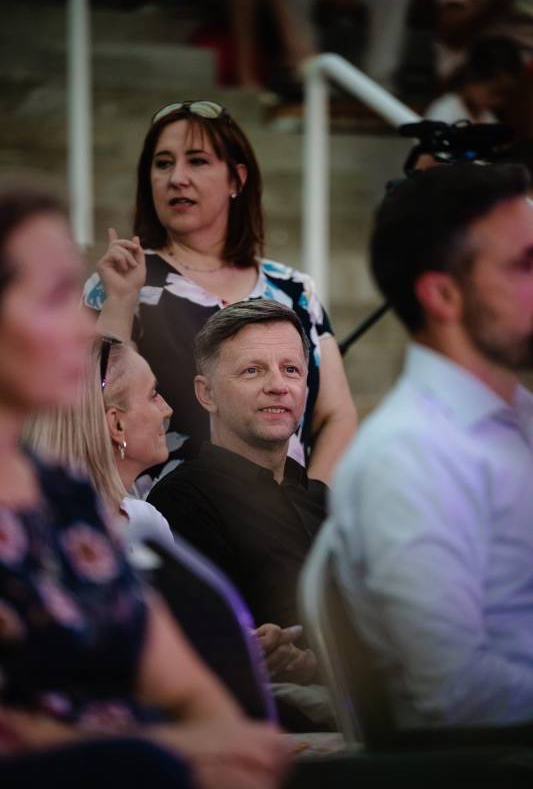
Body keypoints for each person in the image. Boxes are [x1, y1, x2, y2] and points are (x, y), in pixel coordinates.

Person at [0, 185, 287, 789]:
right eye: (55, 298)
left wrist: (225, 740)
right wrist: (168, 748)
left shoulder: (66, 496)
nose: (79, 329)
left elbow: (186, 683)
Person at [327, 162, 533, 731]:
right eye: (524, 264)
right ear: (443, 295)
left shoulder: (520, 419)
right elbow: (458, 694)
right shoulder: (408, 455)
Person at [83, 100, 356, 488]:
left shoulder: (295, 288)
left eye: (197, 161)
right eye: (162, 164)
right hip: (165, 514)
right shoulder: (121, 280)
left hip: (289, 517)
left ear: (236, 180)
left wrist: (309, 505)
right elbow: (89, 404)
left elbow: (338, 414)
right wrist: (122, 299)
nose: (177, 178)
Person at [147, 299, 326, 687]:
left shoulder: (325, 501)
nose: (277, 385)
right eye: (252, 370)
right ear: (206, 393)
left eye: (291, 370)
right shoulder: (181, 503)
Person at [24, 337, 174, 548]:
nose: (167, 410)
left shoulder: (148, 521)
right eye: (153, 395)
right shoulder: (36, 531)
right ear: (117, 425)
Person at [425, 35, 522, 124]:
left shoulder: (488, 117)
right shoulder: (445, 112)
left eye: (505, 95)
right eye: (494, 92)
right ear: (473, 76)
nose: (499, 102)